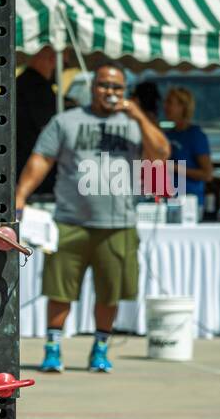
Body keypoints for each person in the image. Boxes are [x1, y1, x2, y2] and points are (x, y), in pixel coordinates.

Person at [14, 61, 170, 373]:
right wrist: (20, 196)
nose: (109, 92)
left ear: (124, 91)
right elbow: (42, 158)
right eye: (104, 85)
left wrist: (138, 114)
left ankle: (100, 348)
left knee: (109, 291)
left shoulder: (136, 124)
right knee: (60, 290)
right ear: (92, 87)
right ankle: (53, 348)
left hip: (117, 224)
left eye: (116, 87)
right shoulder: (67, 121)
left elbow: (161, 155)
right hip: (71, 220)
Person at [162, 86, 212, 218]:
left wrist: (174, 168)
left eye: (170, 103)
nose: (165, 107)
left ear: (183, 107)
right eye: (165, 102)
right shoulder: (167, 134)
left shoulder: (195, 135)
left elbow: (207, 174)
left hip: (189, 204)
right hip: (168, 200)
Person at [15, 46, 56, 197]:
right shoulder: (37, 87)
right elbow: (49, 131)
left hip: (22, 166)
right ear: (52, 59)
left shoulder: (20, 83)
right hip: (34, 171)